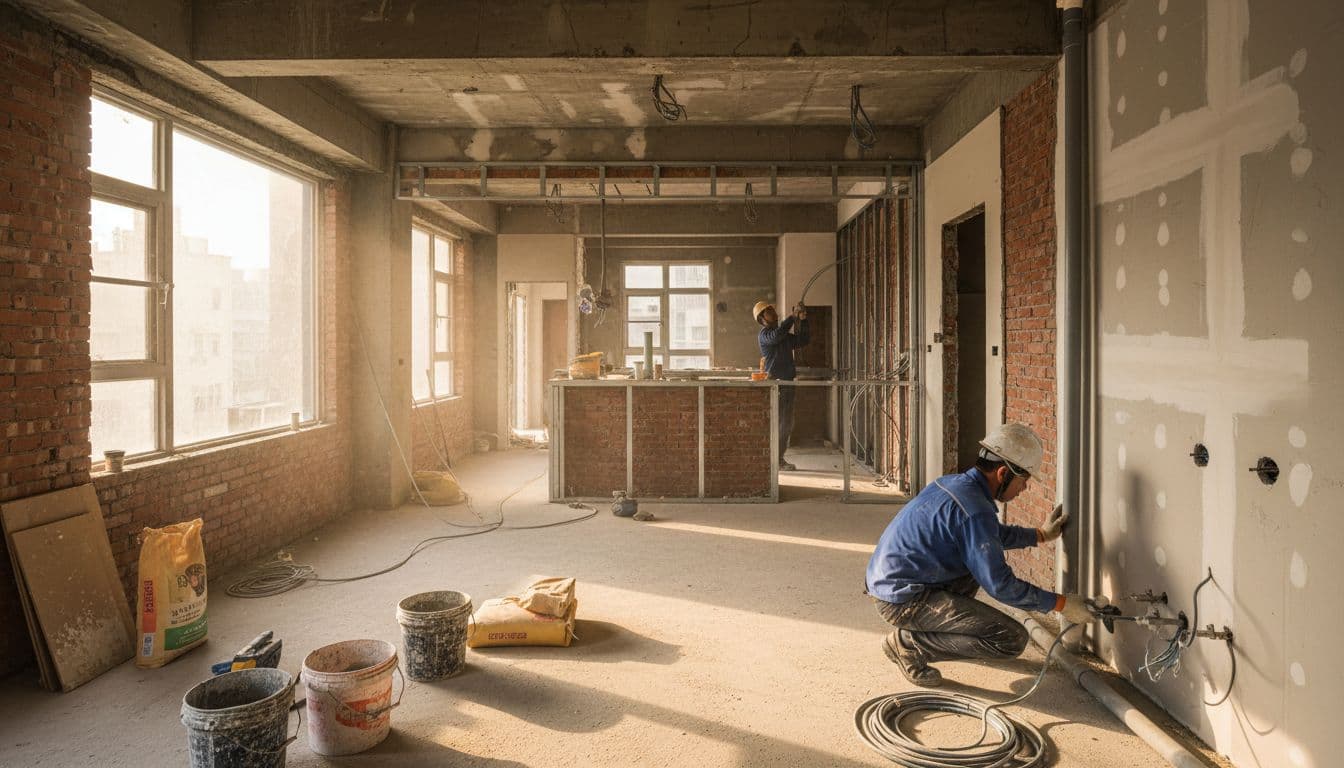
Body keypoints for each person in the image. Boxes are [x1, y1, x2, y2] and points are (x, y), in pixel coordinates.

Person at [865, 423, 1104, 687]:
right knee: (1009, 639)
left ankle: (924, 632)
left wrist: (1040, 535)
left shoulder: (953, 483)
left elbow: (988, 537)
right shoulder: (975, 510)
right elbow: (1001, 586)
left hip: (892, 580)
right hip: (902, 599)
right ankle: (909, 645)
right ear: (1003, 473)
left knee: (975, 565)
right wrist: (1062, 604)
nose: (1023, 489)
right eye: (1023, 482)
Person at [753, 300, 810, 471]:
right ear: (762, 319)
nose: (773, 312)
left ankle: (778, 459)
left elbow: (803, 340)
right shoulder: (765, 335)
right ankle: (773, 460)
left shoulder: (783, 335)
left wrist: (803, 319)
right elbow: (777, 335)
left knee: (786, 423)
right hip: (775, 385)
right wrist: (792, 317)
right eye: (768, 311)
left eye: (772, 309)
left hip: (788, 383)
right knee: (778, 423)